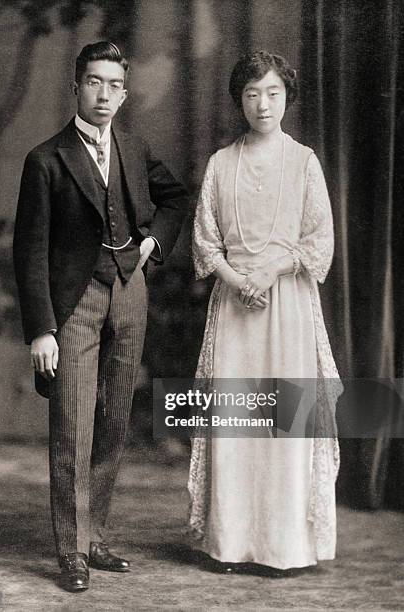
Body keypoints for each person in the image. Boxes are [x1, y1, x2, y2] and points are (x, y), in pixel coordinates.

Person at [13, 41, 188, 592]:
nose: (105, 94)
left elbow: (176, 198)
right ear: (77, 86)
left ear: (126, 92)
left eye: (115, 85)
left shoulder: (133, 148)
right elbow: (30, 249)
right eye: (94, 82)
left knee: (114, 419)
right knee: (72, 424)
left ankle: (95, 537)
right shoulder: (46, 159)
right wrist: (42, 329)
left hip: (130, 293)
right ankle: (70, 552)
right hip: (74, 304)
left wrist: (152, 244)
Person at [188, 50, 340, 573]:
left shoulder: (304, 162)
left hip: (288, 306)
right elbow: (206, 243)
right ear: (240, 100)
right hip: (235, 306)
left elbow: (319, 239)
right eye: (252, 94)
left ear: (287, 98)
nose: (262, 103)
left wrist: (271, 273)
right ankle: (229, 546)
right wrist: (238, 280)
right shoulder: (220, 163)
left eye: (273, 93)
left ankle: (284, 549)